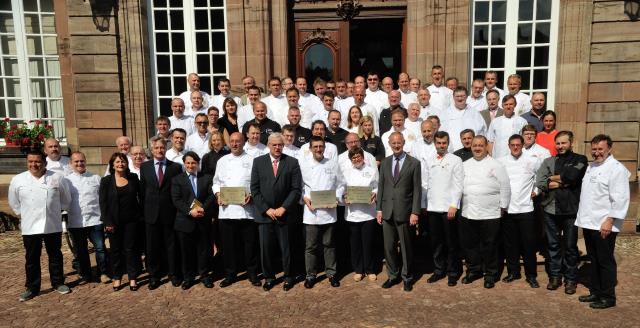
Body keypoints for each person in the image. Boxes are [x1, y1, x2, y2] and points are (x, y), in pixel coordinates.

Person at [575, 134, 630, 309]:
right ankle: (596, 291)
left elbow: (621, 198)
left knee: (605, 260)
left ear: (609, 149)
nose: (597, 152)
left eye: (600, 149)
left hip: (604, 223)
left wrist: (610, 220)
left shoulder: (616, 169)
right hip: (590, 222)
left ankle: (608, 297)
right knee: (594, 259)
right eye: (594, 149)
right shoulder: (592, 166)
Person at [9, 150, 72, 301]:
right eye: (30, 161)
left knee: (55, 255)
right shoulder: (18, 180)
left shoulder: (57, 177)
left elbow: (65, 199)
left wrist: (55, 212)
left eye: (37, 161)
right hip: (30, 226)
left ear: (44, 162)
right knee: (31, 258)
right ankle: (32, 287)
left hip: (52, 224)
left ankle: (58, 283)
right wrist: (26, 215)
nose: (34, 165)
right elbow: (14, 203)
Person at [535, 131, 588, 294]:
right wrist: (562, 181)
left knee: (571, 246)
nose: (560, 146)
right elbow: (541, 182)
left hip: (571, 210)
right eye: (558, 143)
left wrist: (554, 179)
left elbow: (573, 176)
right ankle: (555, 276)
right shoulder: (548, 161)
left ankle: (571, 279)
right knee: (553, 245)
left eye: (563, 143)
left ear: (571, 143)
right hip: (551, 209)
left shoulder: (580, 159)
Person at [250, 133, 302, 291]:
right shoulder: (258, 162)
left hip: (284, 214)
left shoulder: (292, 162)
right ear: (268, 145)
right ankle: (269, 277)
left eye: (280, 145)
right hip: (265, 215)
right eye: (274, 145)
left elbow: (296, 189)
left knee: (286, 249)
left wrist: (283, 208)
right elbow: (255, 188)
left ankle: (288, 276)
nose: (277, 147)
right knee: (266, 249)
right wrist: (267, 209)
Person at [459, 136, 510, 289]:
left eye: (481, 145)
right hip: (469, 211)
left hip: (490, 213)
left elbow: (505, 187)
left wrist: (503, 207)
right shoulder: (465, 165)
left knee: (490, 245)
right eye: (475, 145)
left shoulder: (496, 165)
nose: (477, 148)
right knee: (471, 245)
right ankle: (474, 270)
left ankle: (490, 274)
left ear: (486, 146)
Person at [212, 133, 261, 288]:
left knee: (249, 244)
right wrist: (218, 194)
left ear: (243, 142)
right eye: (232, 141)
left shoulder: (253, 160)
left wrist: (252, 195)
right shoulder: (222, 161)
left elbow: (257, 184)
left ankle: (252, 273)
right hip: (227, 211)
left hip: (247, 211)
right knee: (228, 245)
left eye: (237, 141)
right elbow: (216, 182)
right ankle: (230, 274)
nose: (234, 144)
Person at [376, 132, 421, 292]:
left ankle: (407, 277)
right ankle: (392, 276)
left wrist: (415, 212)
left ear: (403, 143)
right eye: (393, 143)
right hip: (387, 211)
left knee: (406, 248)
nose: (396, 145)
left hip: (405, 211)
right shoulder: (385, 163)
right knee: (388, 247)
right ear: (389, 143)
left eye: (399, 142)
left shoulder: (414, 163)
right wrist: (379, 209)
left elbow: (417, 190)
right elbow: (381, 187)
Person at [300, 136, 345, 289]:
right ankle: (311, 275)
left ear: (325, 148)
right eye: (316, 147)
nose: (318, 149)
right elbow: (299, 187)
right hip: (311, 213)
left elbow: (341, 184)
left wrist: (336, 198)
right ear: (310, 148)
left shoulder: (333, 164)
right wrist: (305, 199)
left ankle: (331, 274)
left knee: (329, 244)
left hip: (329, 211)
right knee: (311, 247)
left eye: (321, 146)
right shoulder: (304, 165)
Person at [498, 134, 542, 289]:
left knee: (528, 245)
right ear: (509, 146)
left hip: (526, 208)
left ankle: (531, 275)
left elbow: (541, 177)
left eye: (518, 144)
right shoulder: (501, 162)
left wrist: (537, 190)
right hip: (508, 209)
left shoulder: (533, 160)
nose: (515, 147)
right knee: (510, 244)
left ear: (523, 145)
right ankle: (513, 272)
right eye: (512, 145)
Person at [140, 136, 183, 290]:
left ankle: (173, 274)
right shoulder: (144, 167)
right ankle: (154, 276)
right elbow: (142, 191)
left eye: (162, 148)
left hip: (169, 213)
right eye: (156, 148)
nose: (159, 150)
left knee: (171, 246)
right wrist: (143, 213)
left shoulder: (175, 167)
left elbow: (178, 191)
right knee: (152, 247)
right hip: (150, 214)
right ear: (152, 150)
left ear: (166, 149)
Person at [422, 131, 464, 286]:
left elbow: (458, 184)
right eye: (438, 143)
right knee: (436, 242)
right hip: (433, 207)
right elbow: (425, 183)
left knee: (451, 242)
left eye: (444, 143)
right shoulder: (429, 160)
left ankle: (453, 272)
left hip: (449, 208)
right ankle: (439, 270)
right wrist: (423, 204)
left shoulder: (455, 160)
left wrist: (454, 204)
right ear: (434, 143)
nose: (441, 145)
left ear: (448, 143)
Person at [99, 152, 143, 291]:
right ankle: (117, 277)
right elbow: (103, 203)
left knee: (131, 250)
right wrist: (107, 222)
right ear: (112, 165)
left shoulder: (133, 178)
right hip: (113, 222)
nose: (120, 164)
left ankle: (132, 278)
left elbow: (140, 197)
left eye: (123, 161)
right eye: (117, 162)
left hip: (131, 221)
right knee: (116, 251)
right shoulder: (106, 181)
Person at [171, 151, 215, 289]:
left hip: (202, 219)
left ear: (198, 163)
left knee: (204, 250)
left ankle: (204, 275)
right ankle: (188, 277)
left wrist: (202, 209)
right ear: (184, 164)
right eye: (188, 163)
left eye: (193, 163)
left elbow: (211, 196)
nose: (190, 165)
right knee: (186, 251)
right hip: (185, 221)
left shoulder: (207, 178)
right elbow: (176, 200)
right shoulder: (177, 179)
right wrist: (190, 211)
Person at [65, 152, 107, 284]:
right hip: (76, 221)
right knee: (81, 251)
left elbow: (103, 199)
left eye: (82, 161)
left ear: (85, 161)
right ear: (71, 163)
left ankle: (104, 272)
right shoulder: (66, 181)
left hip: (95, 220)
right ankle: (86, 275)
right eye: (76, 161)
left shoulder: (95, 178)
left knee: (100, 248)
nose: (79, 164)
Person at [342, 147, 379, 282]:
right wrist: (344, 196)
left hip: (368, 213)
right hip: (352, 214)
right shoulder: (345, 172)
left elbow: (377, 186)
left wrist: (375, 194)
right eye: (353, 158)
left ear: (363, 157)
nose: (356, 159)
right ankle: (358, 270)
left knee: (368, 243)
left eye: (358, 156)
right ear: (350, 159)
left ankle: (370, 270)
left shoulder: (371, 171)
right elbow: (342, 188)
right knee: (355, 244)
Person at [440, 86, 487, 152]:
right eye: (457, 96)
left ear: (467, 97)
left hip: (472, 152)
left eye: (462, 96)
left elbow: (483, 132)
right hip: (452, 152)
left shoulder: (475, 113)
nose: (460, 98)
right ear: (453, 97)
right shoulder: (445, 114)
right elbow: (441, 133)